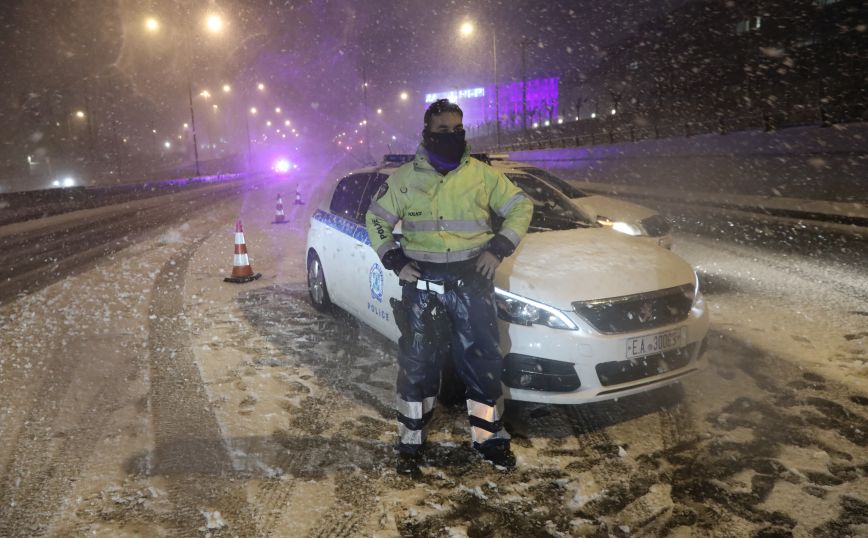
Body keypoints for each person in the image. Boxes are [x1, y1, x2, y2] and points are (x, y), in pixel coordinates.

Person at [365, 99, 533, 474]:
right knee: (418, 362)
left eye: (458, 130)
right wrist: (394, 260)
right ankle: (410, 442)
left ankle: (489, 438)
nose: (452, 136)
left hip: (472, 280)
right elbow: (375, 220)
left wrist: (499, 248)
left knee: (482, 361)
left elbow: (521, 206)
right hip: (422, 283)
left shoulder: (481, 174)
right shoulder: (405, 179)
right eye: (443, 130)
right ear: (427, 133)